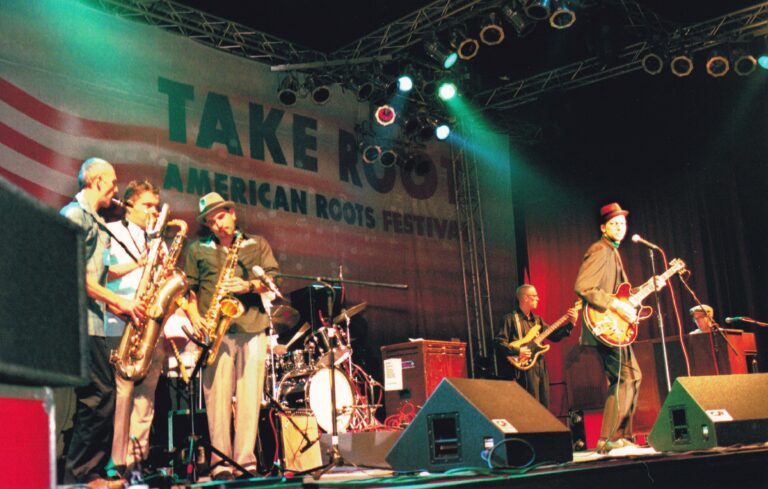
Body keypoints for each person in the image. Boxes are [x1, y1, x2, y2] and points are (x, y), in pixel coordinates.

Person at [59, 158, 146, 488]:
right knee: (99, 396)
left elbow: (100, 272)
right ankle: (82, 475)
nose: (115, 187)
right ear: (95, 181)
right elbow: (75, 273)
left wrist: (138, 266)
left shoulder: (95, 220)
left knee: (99, 397)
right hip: (79, 321)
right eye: (111, 181)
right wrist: (119, 300)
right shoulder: (73, 216)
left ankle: (86, 474)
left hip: (94, 319)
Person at [184, 192, 279, 480]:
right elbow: (187, 289)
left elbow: (274, 281)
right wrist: (195, 317)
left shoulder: (256, 243)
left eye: (221, 217)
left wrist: (248, 286)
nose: (217, 225)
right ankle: (220, 463)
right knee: (217, 400)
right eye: (211, 222)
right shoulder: (197, 248)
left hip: (252, 326)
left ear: (233, 212)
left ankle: (245, 461)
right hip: (216, 331)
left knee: (250, 398)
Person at [573, 202, 665, 454]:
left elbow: (621, 294)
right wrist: (614, 305)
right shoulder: (600, 249)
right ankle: (610, 439)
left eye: (622, 223)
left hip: (613, 325)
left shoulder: (613, 252)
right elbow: (584, 287)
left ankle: (620, 437)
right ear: (603, 228)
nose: (620, 227)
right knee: (625, 377)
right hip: (603, 324)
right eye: (614, 223)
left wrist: (647, 287)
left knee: (631, 376)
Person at [103, 181, 163, 477]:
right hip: (120, 322)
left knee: (146, 398)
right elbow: (103, 272)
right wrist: (140, 263)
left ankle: (137, 462)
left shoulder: (158, 240)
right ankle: (117, 464)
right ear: (130, 205)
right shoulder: (112, 232)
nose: (154, 211)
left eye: (156, 205)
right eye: (147, 205)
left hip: (150, 327)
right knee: (123, 396)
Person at [494, 284, 578, 408]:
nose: (538, 298)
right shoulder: (510, 319)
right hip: (524, 368)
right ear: (525, 298)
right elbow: (499, 342)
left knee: (544, 404)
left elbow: (554, 336)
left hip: (540, 365)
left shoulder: (537, 321)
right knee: (531, 405)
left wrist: (571, 323)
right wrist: (518, 351)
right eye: (535, 296)